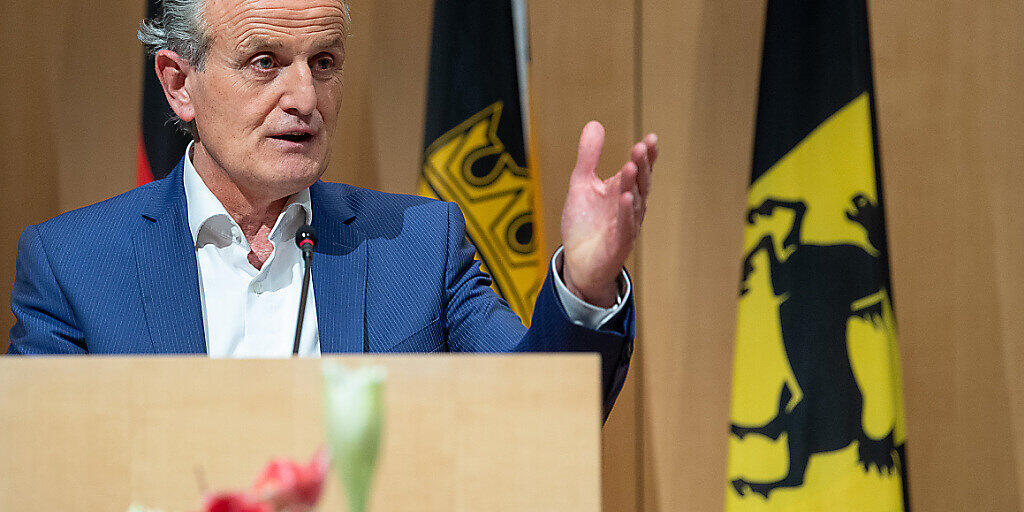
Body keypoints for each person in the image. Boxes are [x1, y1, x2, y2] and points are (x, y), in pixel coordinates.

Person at [8, 0, 657, 418]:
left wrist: (585, 283)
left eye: (324, 62)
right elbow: (41, 469)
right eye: (265, 63)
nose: (304, 97)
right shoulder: (74, 267)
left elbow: (537, 415)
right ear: (180, 85)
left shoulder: (421, 247)